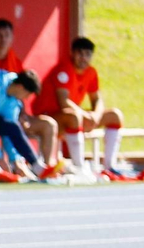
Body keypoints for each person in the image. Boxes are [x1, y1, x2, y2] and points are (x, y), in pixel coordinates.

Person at [0, 19, 57, 169]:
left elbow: (19, 95)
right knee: (9, 124)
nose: (3, 39)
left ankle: (46, 168)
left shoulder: (15, 62)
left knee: (49, 124)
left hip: (13, 114)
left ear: (12, 37)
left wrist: (23, 114)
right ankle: (10, 164)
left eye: (7, 35)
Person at [36, 37, 125, 180]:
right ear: (72, 53)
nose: (83, 58)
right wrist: (85, 115)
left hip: (76, 115)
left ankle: (109, 166)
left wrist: (95, 115)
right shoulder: (64, 70)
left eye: (87, 54)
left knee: (115, 115)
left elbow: (97, 99)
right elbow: (63, 102)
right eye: (80, 53)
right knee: (74, 117)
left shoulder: (91, 72)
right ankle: (79, 167)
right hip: (49, 117)